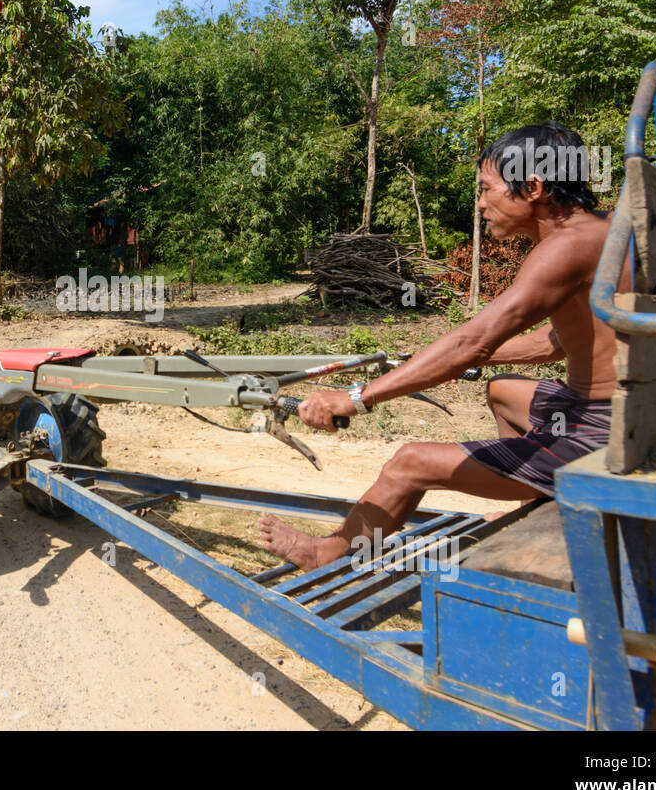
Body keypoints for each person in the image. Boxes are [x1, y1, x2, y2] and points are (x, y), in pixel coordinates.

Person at [259, 122, 629, 571]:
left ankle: (326, 552)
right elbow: (554, 343)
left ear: (532, 187)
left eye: (487, 189)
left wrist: (356, 398)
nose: (480, 204)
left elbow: (471, 341)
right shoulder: (608, 231)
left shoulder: (563, 249)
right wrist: (436, 361)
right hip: (624, 411)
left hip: (601, 434)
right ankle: (525, 490)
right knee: (503, 391)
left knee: (409, 463)